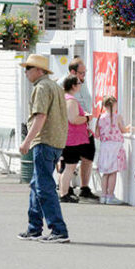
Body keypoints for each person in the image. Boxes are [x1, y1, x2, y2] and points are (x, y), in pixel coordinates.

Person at [17, 54, 69, 243]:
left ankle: (58, 229)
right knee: (36, 184)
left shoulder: (41, 87)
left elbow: (41, 116)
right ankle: (34, 227)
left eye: (29, 68)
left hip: (44, 141)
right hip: (56, 141)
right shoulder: (55, 86)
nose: (26, 72)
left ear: (39, 70)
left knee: (44, 186)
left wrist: (27, 141)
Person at [66, 57, 98, 201]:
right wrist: (85, 117)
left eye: (85, 73)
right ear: (73, 72)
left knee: (88, 158)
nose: (83, 76)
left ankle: (84, 188)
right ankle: (67, 188)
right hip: (72, 131)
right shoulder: (65, 85)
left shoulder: (82, 85)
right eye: (81, 73)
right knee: (68, 161)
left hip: (85, 128)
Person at [59, 76, 91, 204]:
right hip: (71, 139)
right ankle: (64, 193)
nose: (80, 85)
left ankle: (63, 192)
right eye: (79, 83)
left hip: (67, 137)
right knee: (69, 167)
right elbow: (73, 119)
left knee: (66, 167)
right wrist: (88, 118)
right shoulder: (71, 100)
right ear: (73, 85)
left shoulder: (64, 98)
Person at [95, 95, 130, 205]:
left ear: (104, 105)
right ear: (114, 104)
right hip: (116, 146)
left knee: (106, 173)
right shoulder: (117, 117)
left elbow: (97, 134)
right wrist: (129, 128)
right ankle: (110, 196)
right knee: (113, 172)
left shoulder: (100, 117)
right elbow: (123, 130)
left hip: (105, 146)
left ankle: (103, 195)